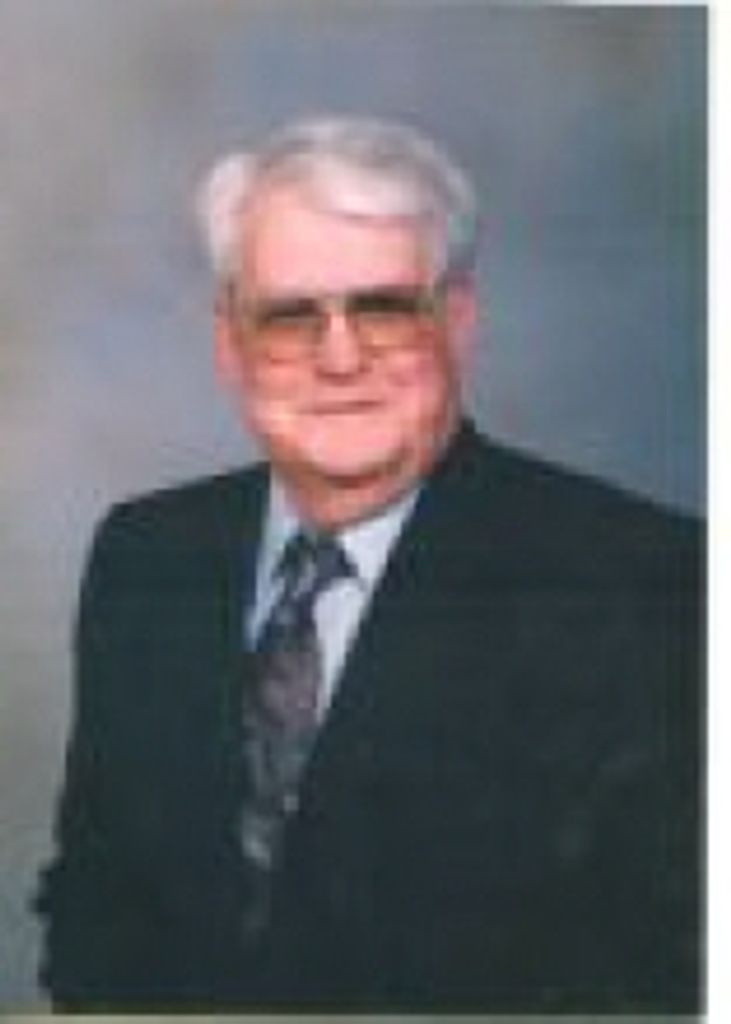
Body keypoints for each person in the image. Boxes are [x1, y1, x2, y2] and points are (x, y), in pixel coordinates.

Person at [35, 115, 703, 1013]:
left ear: (455, 323)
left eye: (383, 309)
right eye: (290, 317)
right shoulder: (148, 556)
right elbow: (94, 904)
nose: (339, 358)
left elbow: (659, 978)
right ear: (230, 343)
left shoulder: (642, 584)